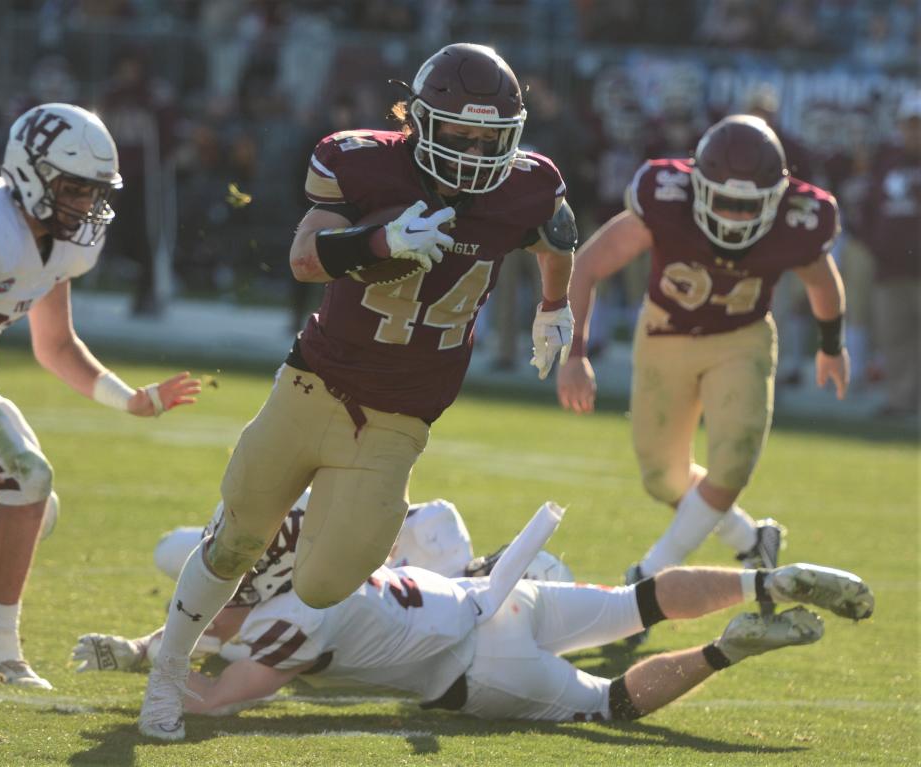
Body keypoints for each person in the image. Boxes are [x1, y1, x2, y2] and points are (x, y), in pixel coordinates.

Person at [139, 42, 578, 740]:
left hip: (399, 418)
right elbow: (304, 257)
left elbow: (557, 235)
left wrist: (553, 305)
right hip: (312, 384)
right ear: (418, 121)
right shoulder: (359, 159)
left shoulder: (526, 184)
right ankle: (166, 672)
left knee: (324, 583)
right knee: (232, 542)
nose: (472, 152)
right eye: (459, 133)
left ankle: (310, 525)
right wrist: (380, 243)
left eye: (489, 138)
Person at [78, 495, 874, 725]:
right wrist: (148, 648)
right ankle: (770, 581)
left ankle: (730, 649)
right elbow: (214, 625)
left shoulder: (290, 620)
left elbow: (219, 690)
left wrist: (163, 679)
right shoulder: (330, 557)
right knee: (638, 601)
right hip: (497, 593)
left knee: (605, 702)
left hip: (479, 666)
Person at [556, 114, 849, 645]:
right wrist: (574, 353)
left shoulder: (800, 216)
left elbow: (821, 279)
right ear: (695, 184)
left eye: (749, 203)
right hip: (665, 334)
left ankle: (647, 578)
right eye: (725, 200)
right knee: (663, 480)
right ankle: (750, 538)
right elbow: (590, 264)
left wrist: (832, 345)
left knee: (734, 457)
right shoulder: (664, 199)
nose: (736, 216)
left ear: (777, 194)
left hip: (741, 337)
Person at [0, 103, 201, 690]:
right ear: (29, 172)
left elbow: (57, 345)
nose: (84, 204)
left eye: (93, 191)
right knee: (29, 476)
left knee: (32, 505)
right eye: (72, 188)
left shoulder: (65, 242)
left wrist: (129, 399)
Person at [73, 491, 573, 672]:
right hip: (304, 556)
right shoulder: (445, 535)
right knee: (174, 555)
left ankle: (151, 649)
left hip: (317, 594)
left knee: (245, 642)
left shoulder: (460, 598)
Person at [862, 90, 920, 418]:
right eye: (910, 125)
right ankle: (900, 400)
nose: (915, 132)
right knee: (894, 339)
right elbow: (869, 210)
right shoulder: (887, 164)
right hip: (890, 270)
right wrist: (878, 247)